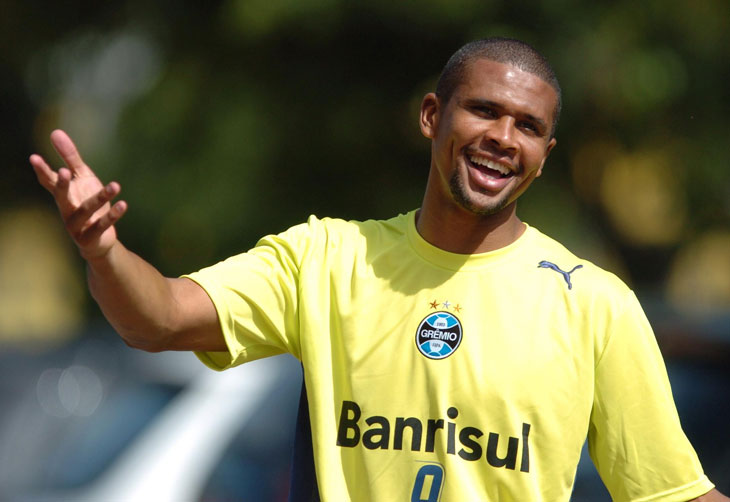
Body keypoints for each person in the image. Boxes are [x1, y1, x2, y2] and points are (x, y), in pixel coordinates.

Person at [30, 37, 727, 501]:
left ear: (546, 154)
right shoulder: (326, 258)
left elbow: (672, 494)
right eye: (483, 111)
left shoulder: (595, 304)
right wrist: (104, 250)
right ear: (432, 116)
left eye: (528, 126)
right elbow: (157, 319)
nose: (502, 138)